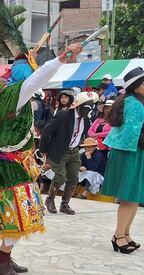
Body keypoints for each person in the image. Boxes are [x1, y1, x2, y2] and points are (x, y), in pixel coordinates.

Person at [0, 44, 83, 275]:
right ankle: (0, 258)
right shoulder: (17, 93)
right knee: (18, 212)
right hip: (10, 167)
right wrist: (60, 59)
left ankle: (4, 254)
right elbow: (38, 78)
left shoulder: (3, 94)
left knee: (19, 210)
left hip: (13, 164)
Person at [101, 67, 144, 254]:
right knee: (128, 198)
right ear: (134, 87)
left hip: (134, 150)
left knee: (133, 197)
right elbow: (132, 133)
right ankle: (119, 236)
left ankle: (125, 234)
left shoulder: (134, 100)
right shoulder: (135, 103)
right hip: (130, 151)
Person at [41, 91, 97, 215]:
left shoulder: (86, 120)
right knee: (60, 176)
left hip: (74, 150)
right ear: (79, 105)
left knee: (73, 178)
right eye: (87, 107)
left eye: (91, 107)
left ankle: (65, 204)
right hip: (59, 150)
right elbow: (45, 131)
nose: (88, 111)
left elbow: (82, 133)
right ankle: (50, 199)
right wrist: (43, 150)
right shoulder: (63, 115)